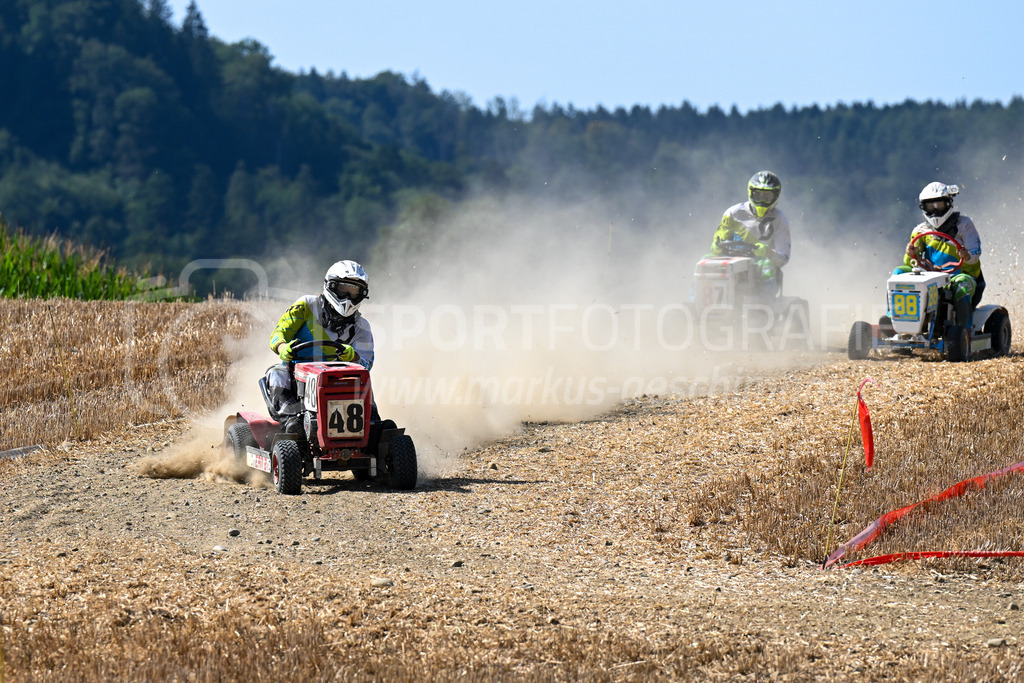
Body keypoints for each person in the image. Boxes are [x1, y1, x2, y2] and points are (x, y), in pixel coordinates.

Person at [264, 260, 374, 421]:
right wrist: (282, 347)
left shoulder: (362, 327)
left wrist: (354, 357)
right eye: (343, 289)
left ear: (362, 294)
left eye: (353, 292)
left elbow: (366, 364)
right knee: (276, 373)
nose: (347, 297)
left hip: (337, 380)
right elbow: (278, 333)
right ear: (331, 286)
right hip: (296, 376)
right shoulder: (306, 305)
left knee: (363, 381)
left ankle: (373, 422)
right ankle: (290, 421)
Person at [891, 181, 984, 328]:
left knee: (963, 285)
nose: (935, 211)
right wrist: (910, 253)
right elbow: (910, 263)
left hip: (959, 275)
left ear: (948, 203)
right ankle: (893, 320)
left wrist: (966, 255)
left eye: (939, 205)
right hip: (929, 276)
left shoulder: (964, 225)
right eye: (930, 207)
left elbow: (975, 254)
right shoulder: (920, 231)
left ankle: (963, 330)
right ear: (924, 208)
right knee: (898, 274)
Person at [709, 170, 792, 298]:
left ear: (776, 196)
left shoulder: (780, 219)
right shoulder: (733, 213)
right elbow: (719, 238)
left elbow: (783, 258)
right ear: (750, 193)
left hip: (759, 263)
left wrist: (768, 252)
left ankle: (765, 305)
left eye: (767, 197)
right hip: (730, 259)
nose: (762, 201)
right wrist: (716, 246)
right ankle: (700, 302)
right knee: (705, 261)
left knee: (767, 266)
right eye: (758, 195)